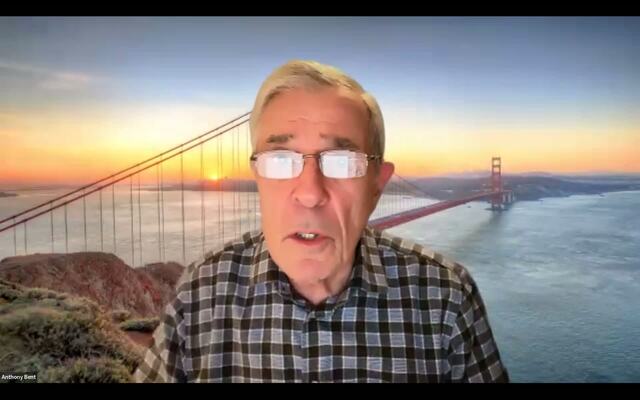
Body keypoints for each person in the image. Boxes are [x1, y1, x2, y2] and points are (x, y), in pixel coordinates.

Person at [134, 60, 509, 383]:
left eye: (342, 163)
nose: (310, 193)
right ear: (258, 178)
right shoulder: (201, 293)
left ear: (377, 186)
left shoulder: (446, 297)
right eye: (280, 160)